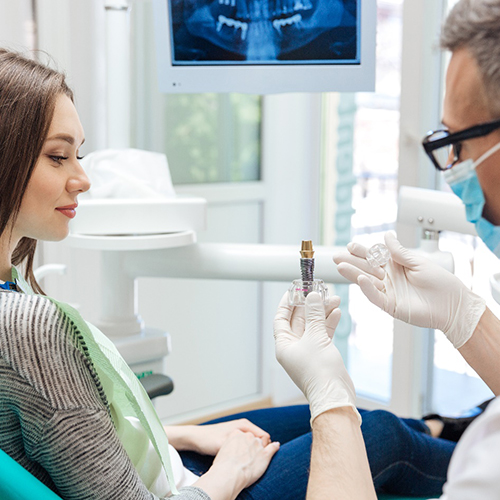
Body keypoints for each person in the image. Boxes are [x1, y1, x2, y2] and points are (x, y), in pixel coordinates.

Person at [274, 0, 500, 498]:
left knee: (381, 432)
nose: (454, 166)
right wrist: (465, 316)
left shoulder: (487, 464)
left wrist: (330, 402)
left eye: (457, 141)